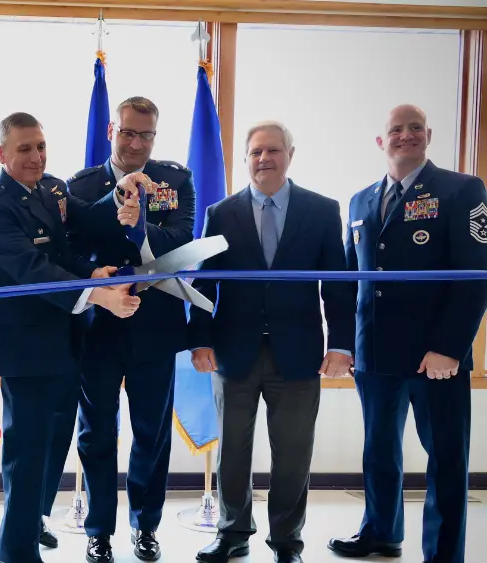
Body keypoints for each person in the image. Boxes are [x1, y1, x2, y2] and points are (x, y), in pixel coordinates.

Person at [0, 111, 143, 563]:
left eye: (41, 146)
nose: (36, 156)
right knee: (26, 459)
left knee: (51, 454)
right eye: (24, 148)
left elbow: (85, 225)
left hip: (67, 343)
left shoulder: (52, 189)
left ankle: (31, 525)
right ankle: (16, 553)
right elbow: (33, 271)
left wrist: (122, 200)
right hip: (28, 351)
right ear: (1, 153)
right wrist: (97, 293)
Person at [188, 121, 355, 563]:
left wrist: (341, 344)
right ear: (245, 158)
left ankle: (286, 542)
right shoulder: (221, 213)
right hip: (233, 351)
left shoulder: (321, 210)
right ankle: (232, 533)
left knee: (294, 455)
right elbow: (203, 284)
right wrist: (199, 340)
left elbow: (337, 286)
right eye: (256, 151)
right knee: (232, 452)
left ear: (290, 155)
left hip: (297, 355)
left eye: (273, 150)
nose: (264, 158)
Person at [328, 104, 487, 563]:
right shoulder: (360, 201)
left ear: (428, 135)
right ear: (381, 142)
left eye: (415, 127)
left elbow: (475, 276)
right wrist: (346, 344)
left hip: (435, 357)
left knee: (446, 458)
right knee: (379, 450)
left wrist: (449, 347)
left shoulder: (462, 189)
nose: (405, 135)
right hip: (374, 353)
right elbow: (347, 279)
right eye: (395, 129)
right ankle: (380, 532)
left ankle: (443, 554)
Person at [66, 96, 195, 563]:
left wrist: (141, 231)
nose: (137, 142)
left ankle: (145, 525)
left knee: (151, 436)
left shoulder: (176, 180)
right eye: (128, 132)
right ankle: (98, 530)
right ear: (110, 132)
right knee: (97, 434)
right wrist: (95, 274)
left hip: (155, 330)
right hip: (98, 330)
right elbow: (70, 250)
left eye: (146, 134)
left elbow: (183, 243)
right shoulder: (80, 185)